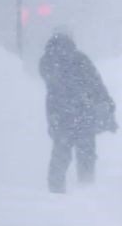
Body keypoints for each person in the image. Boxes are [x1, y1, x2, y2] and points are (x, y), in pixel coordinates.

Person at [39, 30, 117, 193]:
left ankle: (55, 192)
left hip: (59, 116)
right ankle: (86, 192)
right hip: (83, 115)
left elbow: (51, 84)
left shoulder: (48, 61)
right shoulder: (79, 59)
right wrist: (107, 104)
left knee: (60, 155)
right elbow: (96, 85)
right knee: (86, 155)